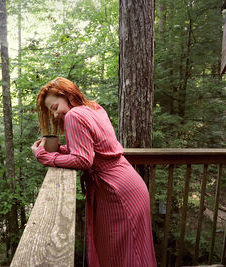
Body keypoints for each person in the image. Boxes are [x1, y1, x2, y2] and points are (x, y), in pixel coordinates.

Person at [31, 77, 156, 267]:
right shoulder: (94, 108)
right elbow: (91, 149)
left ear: (66, 95)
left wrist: (43, 156)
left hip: (116, 192)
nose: (55, 115)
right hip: (128, 185)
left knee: (123, 255)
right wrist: (60, 150)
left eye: (55, 107)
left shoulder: (74, 116)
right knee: (132, 250)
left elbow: (83, 160)